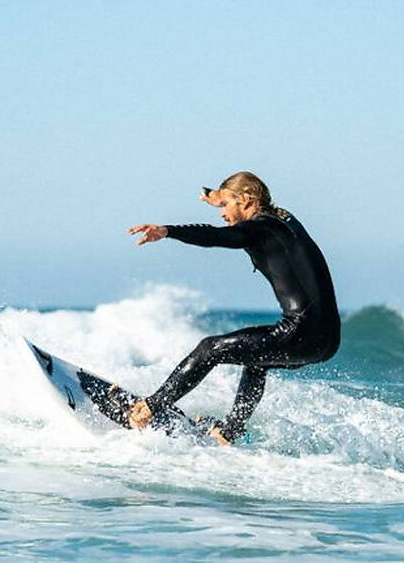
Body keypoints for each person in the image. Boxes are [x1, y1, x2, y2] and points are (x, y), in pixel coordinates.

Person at [126, 171, 340, 445]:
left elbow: (216, 236)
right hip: (327, 340)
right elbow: (239, 205)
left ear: (247, 201)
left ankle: (147, 409)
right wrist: (218, 196)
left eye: (226, 206)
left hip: (300, 333)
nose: (222, 213)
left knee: (209, 349)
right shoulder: (284, 220)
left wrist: (168, 231)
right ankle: (230, 432)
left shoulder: (259, 229)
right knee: (255, 359)